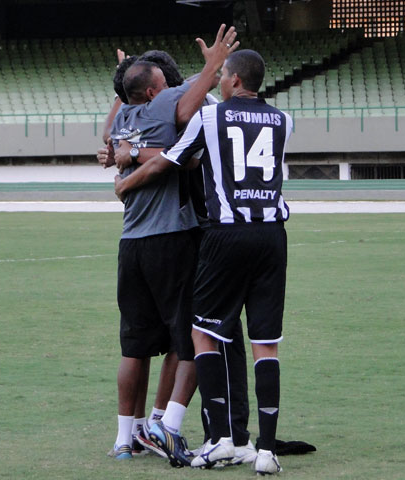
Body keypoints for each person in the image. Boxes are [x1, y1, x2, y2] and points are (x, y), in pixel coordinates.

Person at [114, 49, 293, 476]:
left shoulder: (210, 118)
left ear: (231, 80)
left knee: (203, 333)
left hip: (223, 232)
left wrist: (124, 177)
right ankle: (264, 451)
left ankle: (220, 440)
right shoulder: (284, 120)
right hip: (272, 233)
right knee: (265, 343)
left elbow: (173, 159)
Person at [106, 26, 240, 468]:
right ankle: (167, 423)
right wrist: (213, 65)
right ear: (151, 90)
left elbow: (116, 146)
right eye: (163, 82)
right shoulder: (164, 102)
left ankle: (126, 438)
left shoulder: (121, 122)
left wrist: (130, 156)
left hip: (131, 244)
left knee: (134, 347)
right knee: (190, 339)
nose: (171, 87)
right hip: (174, 238)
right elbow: (186, 108)